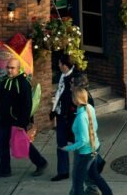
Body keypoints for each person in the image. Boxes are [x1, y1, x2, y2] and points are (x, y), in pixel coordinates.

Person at [0, 57, 47, 179]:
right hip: (4, 120)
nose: (9, 70)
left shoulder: (23, 83)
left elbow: (27, 105)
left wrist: (23, 123)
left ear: (18, 68)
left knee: (24, 144)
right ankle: (5, 170)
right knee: (2, 144)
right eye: (8, 67)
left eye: (12, 68)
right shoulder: (5, 81)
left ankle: (41, 163)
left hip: (17, 121)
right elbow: (0, 101)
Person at [62, 87, 111, 195]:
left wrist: (68, 148)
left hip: (85, 152)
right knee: (94, 175)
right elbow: (96, 126)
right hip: (95, 147)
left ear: (75, 100)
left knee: (78, 181)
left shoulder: (80, 117)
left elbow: (84, 140)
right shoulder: (89, 107)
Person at [51, 53, 88, 182]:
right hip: (62, 115)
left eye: (60, 64)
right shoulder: (62, 75)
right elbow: (59, 93)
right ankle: (63, 171)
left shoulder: (76, 78)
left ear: (65, 66)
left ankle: (90, 166)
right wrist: (54, 110)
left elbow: (82, 98)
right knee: (61, 142)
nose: (58, 66)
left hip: (72, 118)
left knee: (79, 143)